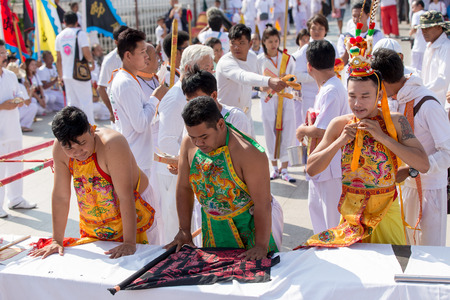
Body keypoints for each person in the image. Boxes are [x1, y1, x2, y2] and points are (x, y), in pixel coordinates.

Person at [299, 31, 429, 248]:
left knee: (391, 271)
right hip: (351, 215)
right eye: (352, 96)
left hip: (386, 211)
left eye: (365, 96)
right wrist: (339, 142)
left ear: (379, 95)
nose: (357, 103)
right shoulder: (340, 125)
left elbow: (423, 164)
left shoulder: (394, 122)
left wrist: (383, 137)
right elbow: (312, 169)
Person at [29, 106, 157, 259]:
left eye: (82, 143)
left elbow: (125, 195)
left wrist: (129, 243)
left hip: (135, 210)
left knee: (142, 260)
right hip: (97, 217)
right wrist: (57, 240)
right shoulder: (59, 149)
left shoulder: (112, 143)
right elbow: (61, 196)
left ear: (91, 129)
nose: (78, 152)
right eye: (69, 148)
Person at [165, 96, 283, 259]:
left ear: (220, 124)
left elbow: (262, 204)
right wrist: (184, 230)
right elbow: (185, 188)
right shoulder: (189, 144)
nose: (198, 143)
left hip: (250, 229)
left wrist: (260, 246)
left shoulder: (249, 153)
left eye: (204, 137)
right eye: (193, 137)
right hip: (213, 228)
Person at [372, 48, 450, 246]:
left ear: (385, 82)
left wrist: (412, 169)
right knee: (407, 247)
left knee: (430, 250)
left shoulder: (428, 104)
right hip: (403, 187)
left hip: (430, 188)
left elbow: (447, 153)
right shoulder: (395, 100)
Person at [157, 45, 214, 245]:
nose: (211, 70)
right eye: (206, 66)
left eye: (212, 66)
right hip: (174, 172)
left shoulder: (190, 94)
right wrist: (190, 160)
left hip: (190, 168)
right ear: (190, 67)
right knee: (177, 228)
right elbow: (165, 140)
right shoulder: (176, 98)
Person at [296, 40, 350, 234]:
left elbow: (324, 130)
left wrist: (301, 130)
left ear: (309, 67)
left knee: (331, 221)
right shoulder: (329, 86)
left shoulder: (332, 89)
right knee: (318, 214)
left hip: (331, 163)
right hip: (322, 161)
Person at [109, 28, 166, 184]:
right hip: (136, 157)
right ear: (128, 55)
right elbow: (140, 124)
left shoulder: (127, 79)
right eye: (142, 52)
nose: (146, 57)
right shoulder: (126, 83)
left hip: (138, 156)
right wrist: (155, 98)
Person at [216, 24, 287, 136]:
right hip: (227, 118)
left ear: (250, 44)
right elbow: (243, 76)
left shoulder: (253, 57)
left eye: (241, 43)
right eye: (233, 43)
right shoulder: (226, 62)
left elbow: (255, 82)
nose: (236, 47)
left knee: (253, 150)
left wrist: (270, 85)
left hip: (246, 115)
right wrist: (269, 81)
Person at [0, 40, 36, 218]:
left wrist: (19, 100)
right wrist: (1, 106)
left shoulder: (10, 75)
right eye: (1, 54)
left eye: (4, 53)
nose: (4, 57)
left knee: (16, 164)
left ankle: (16, 198)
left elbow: (19, 93)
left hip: (13, 127)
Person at [257, 25, 297, 182]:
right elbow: (256, 80)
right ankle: (274, 167)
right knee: (269, 130)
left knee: (288, 129)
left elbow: (294, 78)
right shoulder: (259, 59)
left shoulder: (286, 58)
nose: (273, 44)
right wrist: (266, 84)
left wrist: (287, 79)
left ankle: (285, 168)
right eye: (270, 41)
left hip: (285, 97)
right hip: (267, 98)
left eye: (276, 40)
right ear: (264, 42)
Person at [182, 68, 251, 134]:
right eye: (189, 101)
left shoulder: (235, 118)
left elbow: (243, 145)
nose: (193, 107)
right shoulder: (191, 121)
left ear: (214, 95)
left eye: (198, 101)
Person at [293, 14, 332, 130]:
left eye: (320, 28)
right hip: (310, 96)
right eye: (313, 28)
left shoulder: (331, 47)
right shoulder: (304, 50)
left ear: (326, 30)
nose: (317, 31)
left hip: (329, 93)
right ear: (309, 30)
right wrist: (318, 75)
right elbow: (297, 75)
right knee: (311, 128)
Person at [55, 11, 95, 123]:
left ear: (64, 22)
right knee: (86, 102)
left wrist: (60, 75)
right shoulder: (80, 34)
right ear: (77, 21)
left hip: (67, 75)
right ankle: (90, 127)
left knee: (72, 104)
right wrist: (92, 63)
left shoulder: (59, 36)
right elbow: (86, 53)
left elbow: (58, 59)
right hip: (80, 73)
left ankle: (73, 128)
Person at [417, 11, 450, 113]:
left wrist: (421, 90)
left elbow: (443, 80)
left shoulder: (446, 47)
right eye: (422, 29)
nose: (424, 32)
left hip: (441, 104)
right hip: (428, 101)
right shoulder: (429, 46)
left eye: (427, 28)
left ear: (439, 27)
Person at [97, 25, 128, 123]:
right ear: (116, 42)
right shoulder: (109, 61)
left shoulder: (136, 55)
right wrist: (111, 111)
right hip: (118, 109)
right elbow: (101, 88)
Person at [409, 0, 427, 72]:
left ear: (419, 5)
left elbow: (414, 28)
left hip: (418, 46)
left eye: (413, 7)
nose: (412, 10)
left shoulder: (416, 14)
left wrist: (410, 33)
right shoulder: (427, 14)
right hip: (427, 45)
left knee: (414, 68)